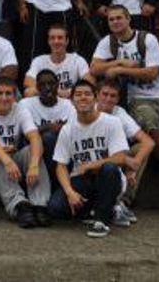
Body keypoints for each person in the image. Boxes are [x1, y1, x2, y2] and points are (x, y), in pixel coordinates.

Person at [90, 4, 159, 218]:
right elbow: (95, 68)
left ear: (129, 19)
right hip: (139, 98)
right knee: (153, 130)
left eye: (119, 18)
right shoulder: (108, 42)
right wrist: (119, 61)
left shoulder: (147, 39)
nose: (115, 22)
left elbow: (152, 73)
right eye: (111, 19)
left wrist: (120, 70)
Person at [47, 79, 130, 238]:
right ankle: (100, 209)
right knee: (55, 208)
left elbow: (120, 158)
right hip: (83, 180)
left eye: (87, 94)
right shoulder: (68, 129)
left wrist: (91, 165)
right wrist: (70, 192)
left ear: (96, 98)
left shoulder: (112, 122)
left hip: (109, 179)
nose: (83, 98)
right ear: (72, 101)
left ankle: (101, 221)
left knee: (109, 168)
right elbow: (61, 166)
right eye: (78, 94)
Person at [0, 76, 51, 228]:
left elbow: (34, 137)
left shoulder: (21, 110)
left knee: (33, 150)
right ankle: (19, 205)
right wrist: (7, 161)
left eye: (8, 93)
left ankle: (39, 205)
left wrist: (34, 165)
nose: (4, 98)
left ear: (14, 96)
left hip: (15, 158)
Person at [96, 78, 155, 226]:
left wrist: (134, 165)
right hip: (94, 158)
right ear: (97, 95)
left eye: (113, 96)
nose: (108, 99)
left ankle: (122, 203)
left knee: (141, 150)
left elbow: (149, 142)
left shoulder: (119, 113)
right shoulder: (89, 110)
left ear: (118, 99)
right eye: (105, 94)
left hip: (117, 157)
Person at [18, 69, 76, 177]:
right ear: (37, 87)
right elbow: (25, 134)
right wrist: (48, 127)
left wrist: (59, 129)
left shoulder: (68, 105)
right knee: (48, 137)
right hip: (34, 152)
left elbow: (74, 131)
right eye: (43, 85)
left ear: (57, 86)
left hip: (63, 151)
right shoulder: (25, 104)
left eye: (51, 84)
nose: (48, 88)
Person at [23, 25, 91, 98]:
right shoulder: (39, 60)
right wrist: (56, 91)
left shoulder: (77, 60)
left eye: (60, 38)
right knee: (29, 92)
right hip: (47, 99)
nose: (56, 41)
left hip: (69, 99)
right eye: (52, 38)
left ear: (67, 41)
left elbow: (89, 81)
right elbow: (28, 81)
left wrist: (72, 92)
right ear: (48, 41)